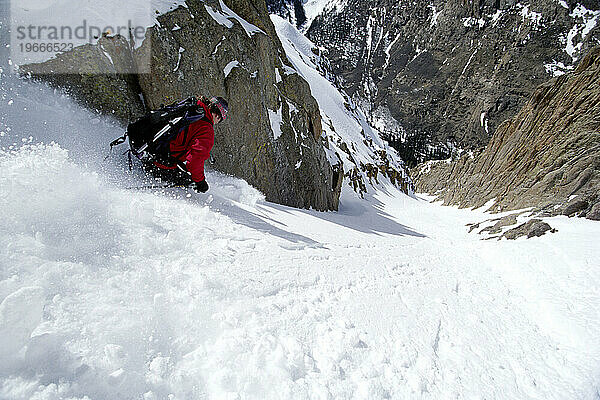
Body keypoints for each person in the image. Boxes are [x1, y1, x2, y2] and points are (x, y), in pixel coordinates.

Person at [150, 96, 228, 193]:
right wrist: (200, 182)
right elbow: (195, 160)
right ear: (218, 116)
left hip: (150, 148)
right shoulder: (206, 129)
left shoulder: (193, 107)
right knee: (190, 182)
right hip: (159, 162)